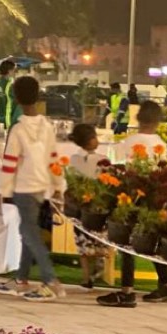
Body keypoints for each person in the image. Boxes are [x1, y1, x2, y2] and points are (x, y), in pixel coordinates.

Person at [0, 76, 67, 302]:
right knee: (29, 231)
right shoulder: (47, 127)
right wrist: (58, 185)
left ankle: (49, 280)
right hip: (42, 187)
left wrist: (0, 192)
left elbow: (9, 164)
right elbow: (54, 158)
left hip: (24, 187)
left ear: (16, 98)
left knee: (29, 233)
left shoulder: (18, 130)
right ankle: (21, 279)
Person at [98, 101, 167, 306]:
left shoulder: (130, 141)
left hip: (133, 196)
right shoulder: (161, 143)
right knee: (151, 240)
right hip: (154, 197)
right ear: (158, 121)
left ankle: (127, 291)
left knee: (126, 241)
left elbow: (119, 166)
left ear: (138, 118)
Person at [67, 123, 110, 290]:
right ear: (88, 140)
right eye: (94, 137)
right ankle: (96, 271)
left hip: (81, 205)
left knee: (83, 242)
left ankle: (87, 277)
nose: (97, 140)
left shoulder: (74, 159)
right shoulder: (100, 159)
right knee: (97, 239)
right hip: (95, 205)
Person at [0, 60, 21, 130]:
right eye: (14, 70)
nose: (15, 72)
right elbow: (11, 104)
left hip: (0, 118)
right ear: (9, 71)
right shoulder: (9, 85)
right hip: (8, 120)